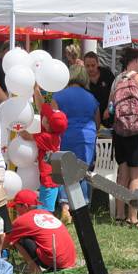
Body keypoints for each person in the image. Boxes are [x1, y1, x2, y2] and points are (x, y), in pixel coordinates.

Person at [106, 47, 138, 229]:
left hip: (119, 132)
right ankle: (132, 217)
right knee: (137, 176)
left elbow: (108, 108)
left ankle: (119, 215)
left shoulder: (117, 80)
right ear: (136, 60)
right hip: (137, 131)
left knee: (122, 174)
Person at [53, 65, 100, 223]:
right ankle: (82, 208)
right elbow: (97, 120)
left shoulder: (58, 96)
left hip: (65, 135)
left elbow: (53, 120)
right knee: (82, 171)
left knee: (64, 169)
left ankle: (65, 207)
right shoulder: (91, 97)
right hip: (87, 136)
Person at [5, 189, 77, 274]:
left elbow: (4, 242)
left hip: (55, 261)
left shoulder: (22, 220)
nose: (15, 210)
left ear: (25, 206)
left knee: (19, 240)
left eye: (16, 207)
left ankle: (35, 270)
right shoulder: (46, 213)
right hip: (70, 260)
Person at [18, 103, 68, 213]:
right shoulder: (54, 134)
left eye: (47, 117)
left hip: (49, 179)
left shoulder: (46, 137)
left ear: (48, 125)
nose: (44, 116)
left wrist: (18, 126)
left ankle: (47, 224)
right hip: (52, 176)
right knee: (44, 204)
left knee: (46, 209)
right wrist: (36, 90)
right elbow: (43, 107)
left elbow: (27, 136)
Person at [83, 51, 114, 120]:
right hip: (90, 116)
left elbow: (114, 91)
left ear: (98, 64)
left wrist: (109, 108)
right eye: (87, 66)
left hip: (108, 114)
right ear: (84, 65)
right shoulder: (82, 78)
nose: (90, 68)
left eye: (93, 65)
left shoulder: (107, 73)